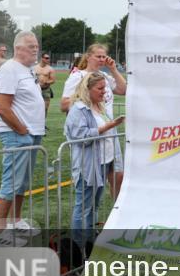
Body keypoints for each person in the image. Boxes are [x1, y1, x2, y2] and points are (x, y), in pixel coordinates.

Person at [0, 32, 46, 246]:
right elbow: (2, 107)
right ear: (18, 48)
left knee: (21, 182)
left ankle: (16, 221)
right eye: (31, 46)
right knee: (11, 182)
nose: (35, 49)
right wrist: (21, 130)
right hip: (18, 134)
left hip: (32, 133)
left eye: (36, 46)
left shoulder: (28, 70)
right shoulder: (9, 69)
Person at [64, 72, 124, 250]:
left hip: (104, 162)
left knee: (93, 205)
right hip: (88, 165)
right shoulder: (78, 109)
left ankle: (88, 243)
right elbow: (79, 137)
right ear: (87, 89)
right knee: (83, 206)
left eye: (105, 87)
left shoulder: (100, 106)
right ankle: (78, 247)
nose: (104, 91)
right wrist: (108, 126)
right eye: (100, 88)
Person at [60, 44, 127, 198]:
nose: (102, 59)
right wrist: (86, 96)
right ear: (88, 56)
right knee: (92, 181)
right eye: (98, 56)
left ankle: (116, 214)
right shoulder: (78, 75)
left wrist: (113, 69)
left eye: (104, 56)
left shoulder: (104, 77)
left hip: (110, 130)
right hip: (91, 132)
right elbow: (64, 105)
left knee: (118, 175)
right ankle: (89, 217)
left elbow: (124, 90)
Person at [34, 52, 56, 118]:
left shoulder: (50, 69)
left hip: (46, 90)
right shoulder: (35, 68)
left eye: (48, 58)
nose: (48, 60)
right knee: (35, 107)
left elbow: (53, 80)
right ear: (42, 58)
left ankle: (43, 123)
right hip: (36, 90)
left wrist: (47, 82)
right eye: (46, 58)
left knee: (45, 107)